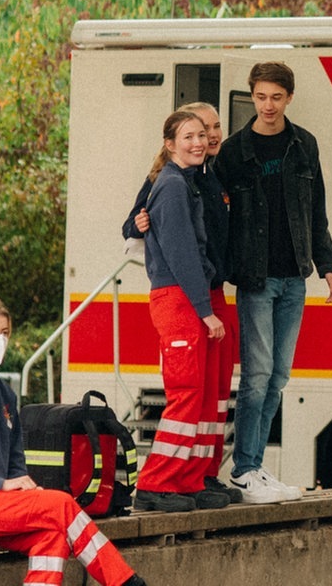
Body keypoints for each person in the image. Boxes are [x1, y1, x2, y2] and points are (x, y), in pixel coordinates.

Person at [0, 298, 152, 586]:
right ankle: (125, 582)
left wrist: (22, 484)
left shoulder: (3, 392)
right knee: (61, 505)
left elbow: (14, 458)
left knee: (51, 535)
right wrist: (1, 484)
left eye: (4, 333)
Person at [215, 62, 332, 503]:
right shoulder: (233, 151)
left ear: (289, 97)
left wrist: (328, 264)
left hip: (295, 278)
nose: (268, 105)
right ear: (252, 97)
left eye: (276, 97)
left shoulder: (304, 144)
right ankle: (244, 470)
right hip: (255, 278)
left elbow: (317, 211)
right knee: (257, 376)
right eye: (261, 96)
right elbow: (213, 212)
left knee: (278, 378)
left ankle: (253, 465)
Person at [122, 103, 236, 491]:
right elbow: (183, 251)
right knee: (187, 395)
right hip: (182, 297)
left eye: (202, 135)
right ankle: (157, 484)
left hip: (195, 294)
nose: (199, 142)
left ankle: (189, 480)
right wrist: (205, 311)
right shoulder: (171, 185)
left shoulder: (187, 180)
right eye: (189, 136)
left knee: (203, 398)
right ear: (170, 144)